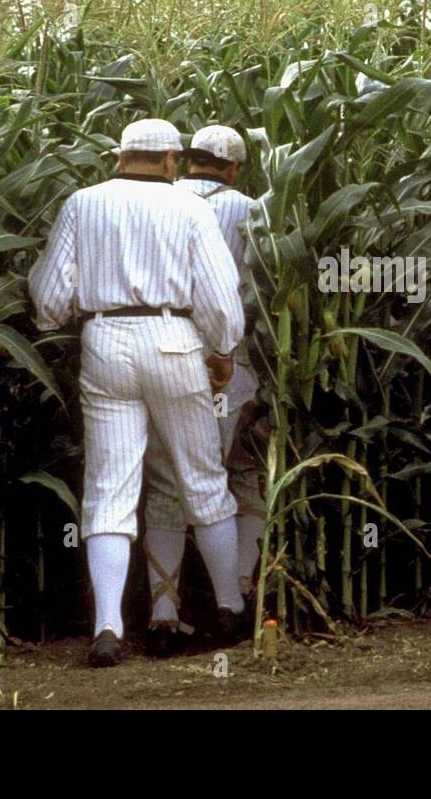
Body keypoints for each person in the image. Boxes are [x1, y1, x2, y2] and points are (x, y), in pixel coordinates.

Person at [28, 118, 247, 667]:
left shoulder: (83, 202)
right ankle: (228, 608)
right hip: (175, 338)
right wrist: (221, 349)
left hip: (105, 339)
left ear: (120, 156)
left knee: (109, 485)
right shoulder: (191, 209)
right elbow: (220, 299)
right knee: (201, 476)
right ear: (172, 160)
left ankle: (107, 628)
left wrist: (65, 315)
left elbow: (50, 295)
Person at [142, 124, 265, 657]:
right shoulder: (250, 211)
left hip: (161, 357)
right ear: (233, 168)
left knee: (169, 487)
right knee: (239, 475)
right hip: (229, 368)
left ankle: (164, 613)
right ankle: (233, 598)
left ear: (185, 160)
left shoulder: (152, 202)